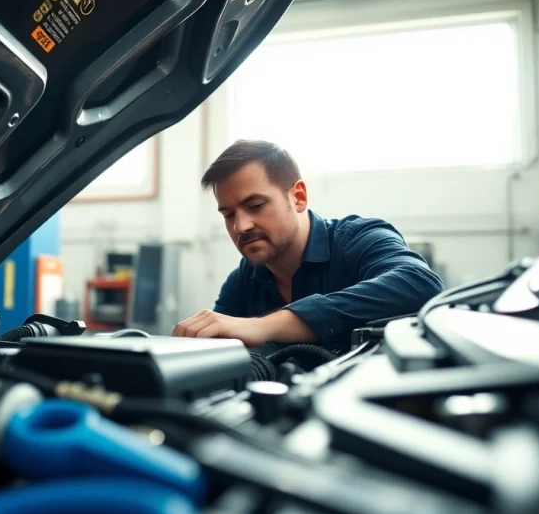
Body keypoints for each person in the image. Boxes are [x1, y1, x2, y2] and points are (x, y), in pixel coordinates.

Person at [173, 140, 443, 365]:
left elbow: (420, 284)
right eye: (228, 214)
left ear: (299, 197)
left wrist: (260, 326)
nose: (240, 226)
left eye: (255, 205)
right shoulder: (244, 280)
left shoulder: (359, 240)